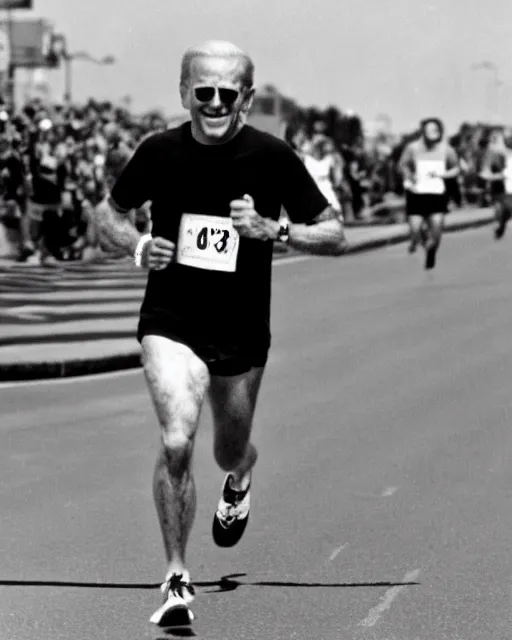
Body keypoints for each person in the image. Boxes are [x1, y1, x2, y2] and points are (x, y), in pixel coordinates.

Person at [94, 39, 347, 628]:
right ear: (184, 91)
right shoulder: (157, 151)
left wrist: (272, 228)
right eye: (201, 91)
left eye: (225, 93)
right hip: (170, 319)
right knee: (177, 440)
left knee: (226, 446)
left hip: (239, 329)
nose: (212, 102)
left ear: (247, 98)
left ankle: (240, 472)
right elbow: (106, 214)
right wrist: (136, 246)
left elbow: (334, 233)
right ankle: (177, 576)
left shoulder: (272, 156)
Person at [398, 118, 459, 270]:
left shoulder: (446, 149)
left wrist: (443, 174)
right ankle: (423, 241)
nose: (434, 132)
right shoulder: (412, 148)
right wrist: (408, 175)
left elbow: (456, 168)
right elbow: (402, 166)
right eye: (430, 129)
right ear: (423, 131)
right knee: (415, 230)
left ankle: (431, 250)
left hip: (436, 193)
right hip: (416, 192)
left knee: (437, 228)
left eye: (436, 130)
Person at [479, 128, 512, 239]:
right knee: (502, 212)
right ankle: (501, 224)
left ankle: (502, 223)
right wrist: (497, 176)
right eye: (507, 137)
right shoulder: (494, 153)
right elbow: (484, 172)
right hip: (501, 191)